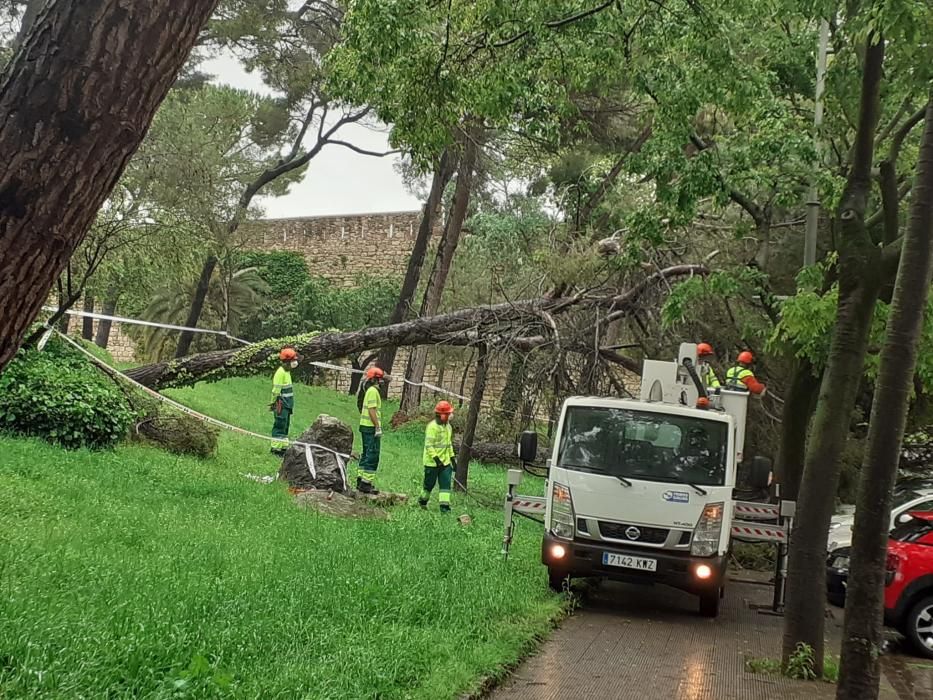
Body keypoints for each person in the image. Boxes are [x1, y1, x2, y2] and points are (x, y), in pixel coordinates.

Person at [420, 401, 456, 513]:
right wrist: (436, 459)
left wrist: (452, 458)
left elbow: (448, 444)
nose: (451, 416)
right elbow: (429, 445)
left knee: (445, 485)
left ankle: (445, 508)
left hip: (445, 463)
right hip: (432, 463)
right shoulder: (432, 427)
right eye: (449, 414)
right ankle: (423, 501)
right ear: (442, 415)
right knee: (428, 485)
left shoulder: (448, 427)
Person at [357, 366, 386, 494]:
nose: (382, 382)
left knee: (365, 453)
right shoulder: (373, 391)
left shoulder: (368, 391)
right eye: (380, 379)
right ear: (375, 380)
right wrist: (377, 427)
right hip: (370, 427)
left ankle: (360, 479)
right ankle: (366, 483)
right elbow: (372, 410)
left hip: (365, 426)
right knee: (372, 455)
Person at [270, 347, 299, 456]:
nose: (295, 363)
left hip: (287, 405)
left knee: (285, 426)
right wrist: (273, 403)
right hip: (280, 405)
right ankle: (275, 449)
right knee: (279, 426)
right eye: (293, 360)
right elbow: (276, 391)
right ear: (287, 361)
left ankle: (283, 447)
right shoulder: (280, 373)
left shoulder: (287, 372)